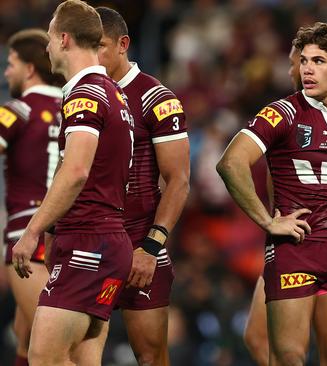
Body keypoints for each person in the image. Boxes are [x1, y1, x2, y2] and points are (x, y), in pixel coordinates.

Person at [217, 22, 327, 365]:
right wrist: (268, 221)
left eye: (318, 61)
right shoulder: (281, 113)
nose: (307, 69)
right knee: (288, 356)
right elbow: (231, 163)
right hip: (294, 251)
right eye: (304, 61)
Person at [11, 1, 135, 364]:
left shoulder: (86, 94)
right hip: (101, 241)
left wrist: (34, 231)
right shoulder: (113, 93)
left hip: (89, 244)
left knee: (43, 356)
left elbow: (77, 170)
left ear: (64, 39)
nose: (48, 46)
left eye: (50, 38)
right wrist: (53, 234)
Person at [95, 7, 190, 365]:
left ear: (123, 44)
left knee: (150, 356)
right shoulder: (79, 95)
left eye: (101, 46)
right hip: (88, 241)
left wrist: (151, 247)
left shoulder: (156, 98)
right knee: (70, 353)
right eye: (87, 47)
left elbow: (179, 181)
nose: (94, 56)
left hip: (139, 244)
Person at [1, 28, 64, 366]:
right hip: (66, 233)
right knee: (24, 336)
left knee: (51, 350)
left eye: (11, 63)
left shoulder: (18, 109)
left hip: (27, 236)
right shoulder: (74, 106)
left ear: (28, 68)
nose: (6, 71)